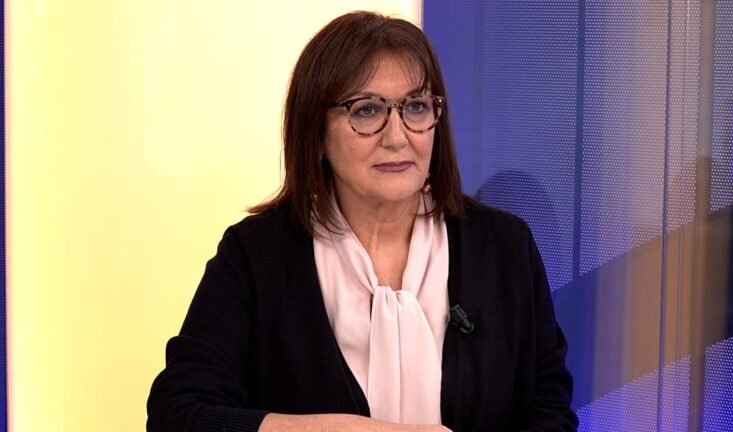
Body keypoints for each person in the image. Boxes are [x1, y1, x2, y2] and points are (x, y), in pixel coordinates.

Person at [147, 11, 577, 432]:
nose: (397, 136)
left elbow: (550, 410)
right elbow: (178, 414)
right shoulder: (256, 256)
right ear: (315, 131)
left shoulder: (504, 247)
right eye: (367, 110)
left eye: (416, 106)